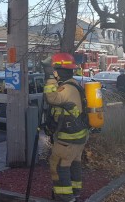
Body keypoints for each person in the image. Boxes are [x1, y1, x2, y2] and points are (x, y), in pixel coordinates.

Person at [41, 53, 89, 202]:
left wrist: (49, 75)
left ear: (58, 71)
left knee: (58, 166)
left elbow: (51, 97)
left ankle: (64, 197)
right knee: (73, 163)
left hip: (67, 138)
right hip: (78, 137)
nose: (54, 73)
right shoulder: (73, 84)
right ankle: (75, 193)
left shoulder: (66, 88)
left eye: (54, 70)